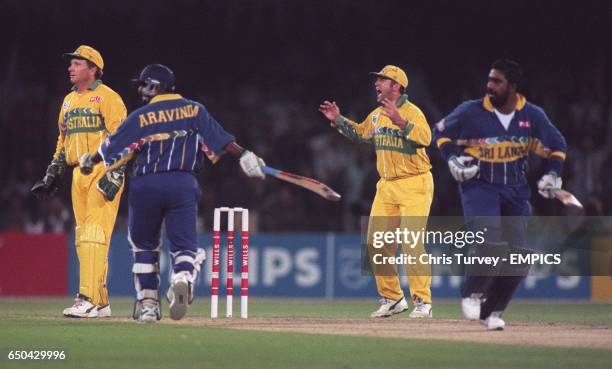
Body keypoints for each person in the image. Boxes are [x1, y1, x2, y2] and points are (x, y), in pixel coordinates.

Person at [79, 64, 266, 323]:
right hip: (181, 184)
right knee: (185, 246)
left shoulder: (140, 116)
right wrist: (245, 155)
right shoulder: (194, 109)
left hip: (145, 186)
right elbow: (222, 141)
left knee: (144, 247)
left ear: (154, 86)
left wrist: (90, 160)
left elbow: (110, 147)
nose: (140, 89)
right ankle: (182, 277)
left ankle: (147, 304)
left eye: (143, 84)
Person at [433, 59, 567, 330]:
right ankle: (471, 292)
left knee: (519, 256)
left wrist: (553, 174)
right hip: (479, 186)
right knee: (489, 242)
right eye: (489, 80)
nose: (489, 85)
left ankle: (491, 312)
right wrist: (452, 159)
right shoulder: (471, 110)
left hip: (516, 190)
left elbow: (558, 144)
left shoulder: (531, 115)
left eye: (497, 81)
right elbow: (440, 132)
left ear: (513, 86)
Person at [319, 65, 434, 318]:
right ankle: (393, 298)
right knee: (375, 244)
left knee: (412, 244)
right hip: (387, 186)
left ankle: (422, 302)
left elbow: (426, 138)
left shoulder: (413, 112)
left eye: (382, 80)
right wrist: (338, 120)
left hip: (415, 183)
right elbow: (362, 134)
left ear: (396, 86)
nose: (376, 83)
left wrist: (401, 122)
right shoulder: (377, 114)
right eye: (377, 79)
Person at [31, 45, 127, 318]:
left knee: (95, 235)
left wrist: (116, 173)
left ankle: (87, 298)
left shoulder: (108, 98)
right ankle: (101, 300)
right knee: (84, 237)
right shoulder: (68, 101)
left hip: (102, 170)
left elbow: (124, 139)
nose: (70, 68)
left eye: (77, 64)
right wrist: (51, 174)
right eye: (71, 64)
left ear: (93, 68)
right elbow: (63, 142)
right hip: (77, 174)